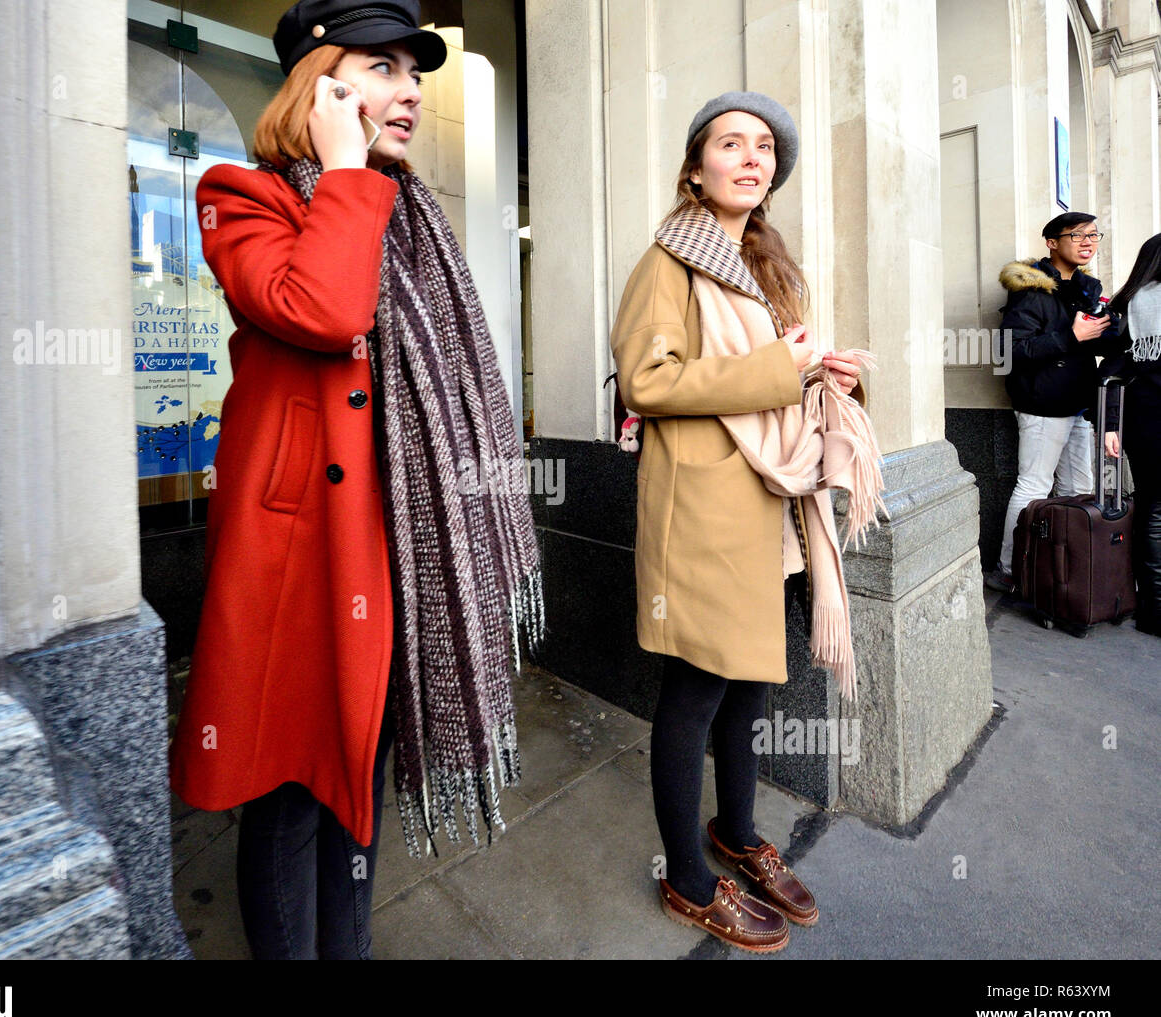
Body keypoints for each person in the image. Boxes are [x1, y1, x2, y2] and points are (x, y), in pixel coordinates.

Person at [168, 0, 544, 960]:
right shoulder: (244, 195)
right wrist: (341, 170)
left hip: (404, 549)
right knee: (292, 792)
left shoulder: (412, 216)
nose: (411, 91)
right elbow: (323, 310)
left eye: (415, 74)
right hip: (304, 557)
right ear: (319, 84)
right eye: (381, 70)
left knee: (360, 786)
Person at [610, 92, 882, 952]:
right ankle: (688, 878)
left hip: (767, 503)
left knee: (752, 682)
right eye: (732, 143)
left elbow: (777, 380)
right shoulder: (670, 260)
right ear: (697, 166)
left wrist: (821, 376)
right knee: (695, 690)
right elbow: (647, 382)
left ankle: (735, 831)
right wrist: (777, 369)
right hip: (702, 507)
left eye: (765, 148)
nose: (752, 157)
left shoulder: (763, 265)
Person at [988, 212, 1115, 593]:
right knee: (1033, 487)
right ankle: (1009, 569)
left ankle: (1060, 570)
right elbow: (1010, 350)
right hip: (1042, 403)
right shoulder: (1031, 290)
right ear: (1052, 242)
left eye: (1093, 235)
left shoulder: (1088, 288)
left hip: (1080, 403)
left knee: (1079, 488)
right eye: (1077, 235)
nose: (1087, 242)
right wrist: (1072, 335)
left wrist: (1113, 329)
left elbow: (1095, 343)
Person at [1095, 233, 1161, 637]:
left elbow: (1113, 370)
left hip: (1146, 418)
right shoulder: (1133, 308)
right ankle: (1154, 609)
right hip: (1149, 419)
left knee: (1154, 508)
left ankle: (1153, 609)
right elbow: (1112, 372)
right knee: (1154, 510)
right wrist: (1110, 426)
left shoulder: (1134, 306)